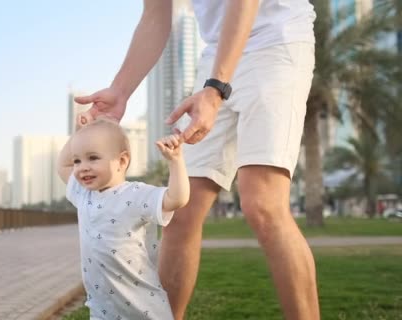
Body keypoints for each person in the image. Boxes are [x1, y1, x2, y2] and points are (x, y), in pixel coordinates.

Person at [74, 1, 320, 319]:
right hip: (217, 54)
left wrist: (217, 88)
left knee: (263, 204)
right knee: (180, 210)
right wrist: (121, 90)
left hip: (277, 41)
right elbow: (154, 16)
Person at [57, 117, 190, 319]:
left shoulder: (136, 194)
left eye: (92, 158)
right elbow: (62, 165)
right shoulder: (83, 194)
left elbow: (177, 199)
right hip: (103, 307)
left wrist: (176, 161)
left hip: (143, 306)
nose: (82, 167)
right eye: (77, 160)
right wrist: (78, 134)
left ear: (121, 161)